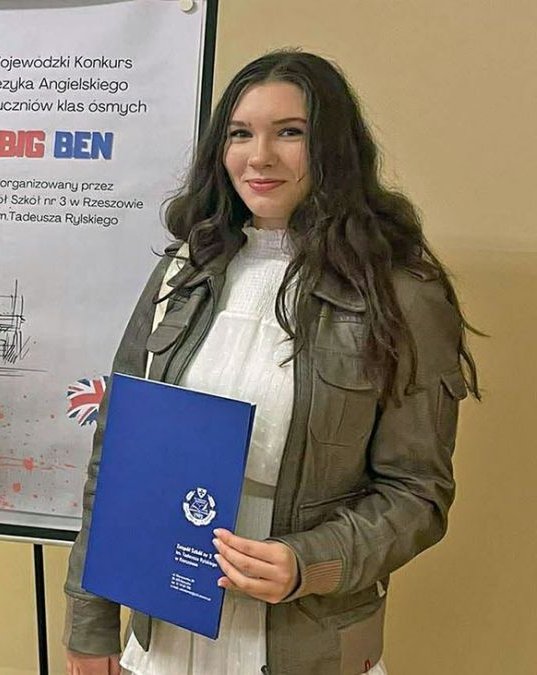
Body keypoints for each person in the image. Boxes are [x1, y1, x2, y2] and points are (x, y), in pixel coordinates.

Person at [63, 50, 479, 675]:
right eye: (240, 134)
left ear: (334, 147)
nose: (259, 157)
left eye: (289, 132)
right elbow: (118, 456)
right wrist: (90, 622)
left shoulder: (400, 294)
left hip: (303, 641)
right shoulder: (184, 271)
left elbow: (418, 493)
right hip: (163, 633)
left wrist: (309, 562)